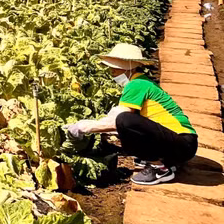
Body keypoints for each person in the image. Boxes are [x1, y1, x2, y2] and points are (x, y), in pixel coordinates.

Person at [65, 43, 198, 186]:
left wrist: (84, 127)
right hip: (180, 144)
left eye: (116, 68)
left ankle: (159, 169)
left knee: (124, 121)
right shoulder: (141, 82)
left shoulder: (137, 84)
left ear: (130, 67)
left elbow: (119, 121)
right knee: (124, 123)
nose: (112, 72)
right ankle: (160, 159)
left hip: (183, 143)